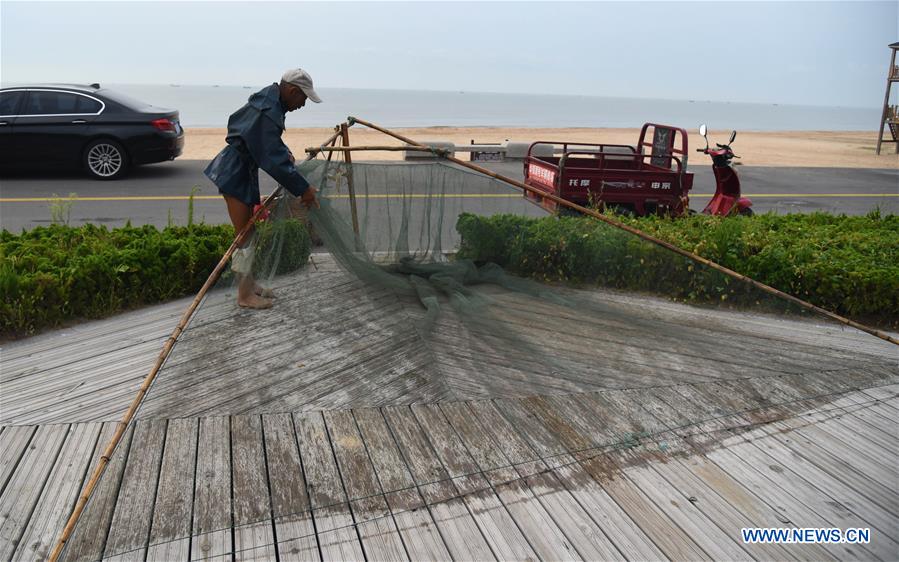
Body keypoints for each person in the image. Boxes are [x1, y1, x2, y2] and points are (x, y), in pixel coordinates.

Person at [205, 68, 321, 309]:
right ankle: (244, 296)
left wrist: (282, 149)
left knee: (249, 233)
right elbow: (272, 159)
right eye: (303, 98)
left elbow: (266, 141)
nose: (303, 105)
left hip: (239, 168)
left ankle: (250, 284)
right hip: (234, 172)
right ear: (291, 90)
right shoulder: (269, 110)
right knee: (244, 237)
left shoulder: (269, 100)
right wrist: (304, 189)